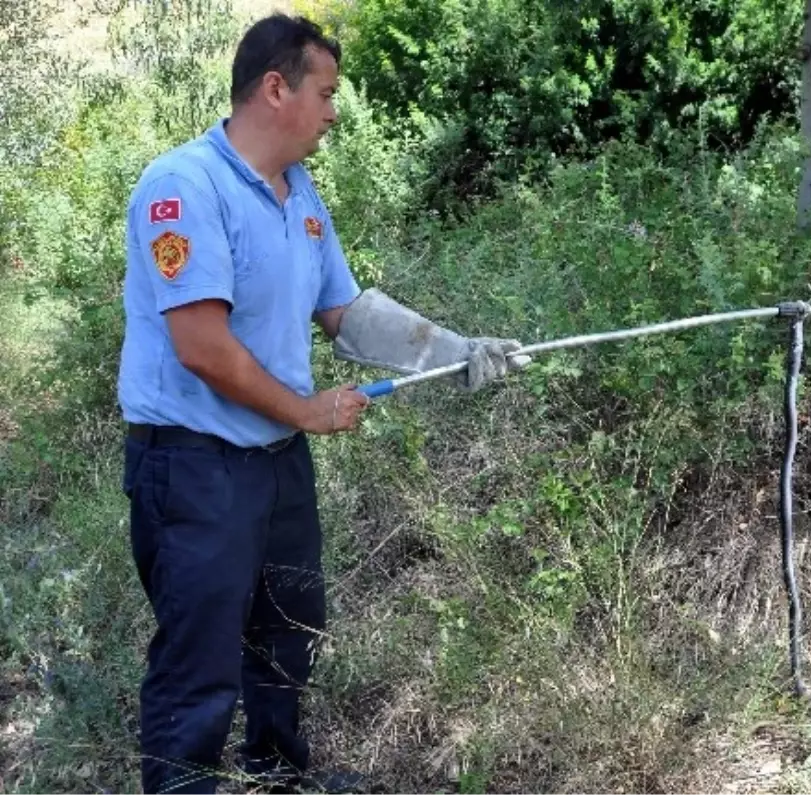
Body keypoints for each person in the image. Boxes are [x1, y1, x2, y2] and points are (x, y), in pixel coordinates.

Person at [117, 13, 524, 794]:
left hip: (276, 465)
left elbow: (346, 314)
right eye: (327, 93)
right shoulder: (183, 187)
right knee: (198, 662)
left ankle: (275, 775)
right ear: (277, 88)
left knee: (287, 635)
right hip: (194, 468)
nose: (335, 112)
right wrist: (305, 410)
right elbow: (201, 346)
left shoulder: (299, 193)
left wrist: (459, 349)